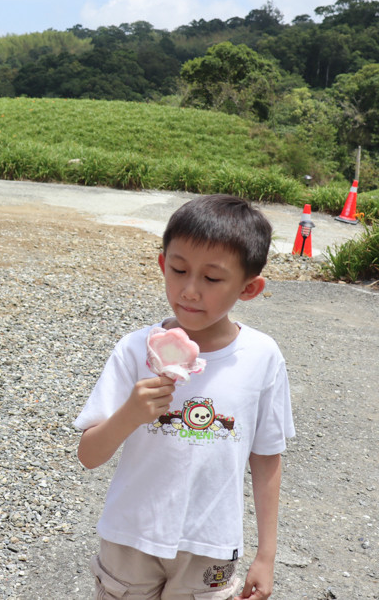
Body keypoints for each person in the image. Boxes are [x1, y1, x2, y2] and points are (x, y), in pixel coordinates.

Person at [75, 194, 295, 600]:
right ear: (163, 264)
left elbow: (266, 458)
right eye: (178, 270)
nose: (190, 290)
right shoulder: (134, 349)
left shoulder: (262, 357)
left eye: (212, 279)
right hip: (130, 537)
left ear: (249, 288)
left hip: (210, 545)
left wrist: (266, 555)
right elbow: (89, 455)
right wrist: (130, 414)